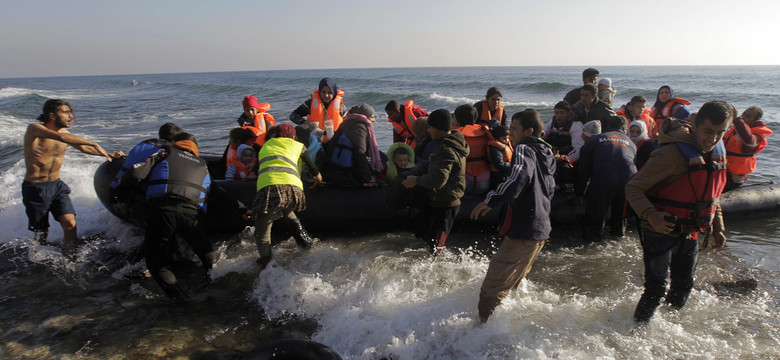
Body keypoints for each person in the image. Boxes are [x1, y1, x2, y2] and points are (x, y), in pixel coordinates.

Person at [625, 100, 732, 324]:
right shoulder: (671, 155)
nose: (713, 139)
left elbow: (712, 195)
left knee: (684, 285)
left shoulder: (716, 153)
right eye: (708, 131)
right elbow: (633, 187)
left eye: (720, 133)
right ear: (695, 127)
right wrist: (652, 216)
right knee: (656, 289)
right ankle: (636, 333)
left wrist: (718, 227)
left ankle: (668, 325)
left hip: (690, 231)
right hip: (660, 228)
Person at [471, 109, 556, 323]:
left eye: (514, 129)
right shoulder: (547, 154)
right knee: (515, 281)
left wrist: (490, 199)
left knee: (492, 285)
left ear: (529, 131)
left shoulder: (524, 147)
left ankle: (479, 334)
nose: (510, 133)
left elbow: (518, 177)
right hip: (541, 230)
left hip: (524, 230)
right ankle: (509, 326)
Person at [117, 132, 217, 303]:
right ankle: (213, 284)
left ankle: (180, 299)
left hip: (162, 213)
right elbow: (214, 190)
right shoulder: (202, 164)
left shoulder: (163, 155)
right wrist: (242, 209)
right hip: (191, 214)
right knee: (206, 254)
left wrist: (119, 193)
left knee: (156, 263)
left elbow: (135, 176)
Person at [23, 99, 123, 258]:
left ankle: (71, 259)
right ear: (51, 115)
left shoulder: (66, 134)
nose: (71, 116)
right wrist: (95, 143)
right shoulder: (35, 129)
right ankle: (38, 260)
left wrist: (110, 155)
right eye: (65, 112)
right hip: (35, 188)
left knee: (70, 224)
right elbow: (61, 138)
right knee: (41, 231)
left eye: (71, 112)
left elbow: (83, 148)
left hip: (56, 185)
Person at [252, 124, 323, 268]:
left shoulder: (265, 147)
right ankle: (307, 245)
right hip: (294, 188)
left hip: (270, 188)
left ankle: (266, 264)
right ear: (293, 136)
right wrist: (318, 181)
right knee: (288, 212)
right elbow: (315, 171)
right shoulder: (298, 146)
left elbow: (256, 170)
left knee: (262, 228)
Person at [402, 109, 469, 257]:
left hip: (445, 205)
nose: (428, 130)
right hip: (439, 201)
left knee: (436, 250)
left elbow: (439, 180)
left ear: (438, 128)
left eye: (430, 127)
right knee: (427, 240)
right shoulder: (450, 143)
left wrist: (416, 181)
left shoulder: (446, 149)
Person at [575, 116, 637, 244]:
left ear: (607, 127)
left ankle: (591, 245)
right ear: (625, 129)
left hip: (603, 179)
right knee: (620, 219)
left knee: (595, 219)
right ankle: (618, 239)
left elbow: (584, 171)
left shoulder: (594, 140)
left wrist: (578, 193)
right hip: (628, 182)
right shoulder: (631, 143)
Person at [323, 103, 384, 187]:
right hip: (346, 172)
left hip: (333, 169)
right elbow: (359, 153)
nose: (374, 120)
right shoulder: (359, 127)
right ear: (365, 116)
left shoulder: (347, 122)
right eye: (372, 117)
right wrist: (368, 178)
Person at [722, 106, 773, 191]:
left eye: (748, 116)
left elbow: (749, 142)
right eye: (744, 113)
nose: (743, 116)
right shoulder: (736, 129)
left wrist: (737, 120)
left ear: (755, 120)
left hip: (736, 175)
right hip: (724, 168)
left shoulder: (757, 135)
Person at [289, 78, 346, 143]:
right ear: (319, 92)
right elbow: (293, 116)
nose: (326, 95)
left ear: (334, 93)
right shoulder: (310, 103)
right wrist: (305, 122)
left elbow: (347, 122)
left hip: (334, 141)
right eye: (323, 92)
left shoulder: (341, 106)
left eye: (329, 92)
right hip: (314, 141)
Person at [453, 104, 491, 195]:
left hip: (465, 181)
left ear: (458, 119)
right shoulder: (484, 131)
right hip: (485, 181)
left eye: (454, 116)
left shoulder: (454, 133)